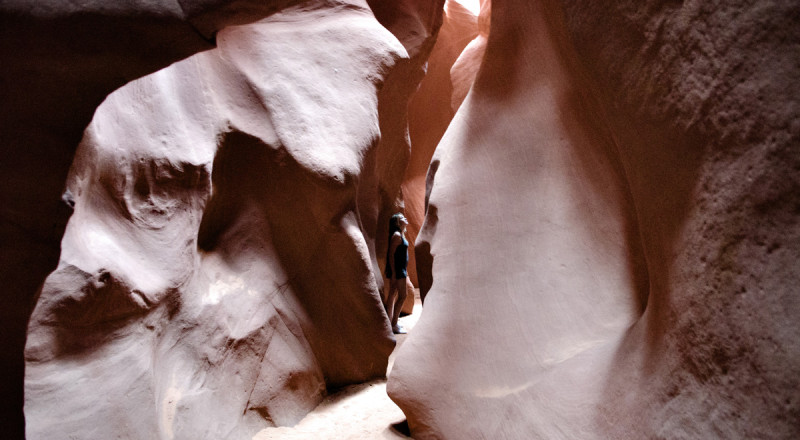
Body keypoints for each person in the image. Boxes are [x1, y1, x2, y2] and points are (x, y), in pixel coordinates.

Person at [384, 212, 409, 334]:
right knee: (403, 295)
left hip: (400, 269)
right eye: (402, 218)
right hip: (399, 271)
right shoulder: (397, 235)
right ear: (397, 223)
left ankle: (391, 322)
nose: (405, 219)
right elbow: (391, 255)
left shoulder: (399, 234)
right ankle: (393, 324)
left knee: (393, 295)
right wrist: (394, 273)